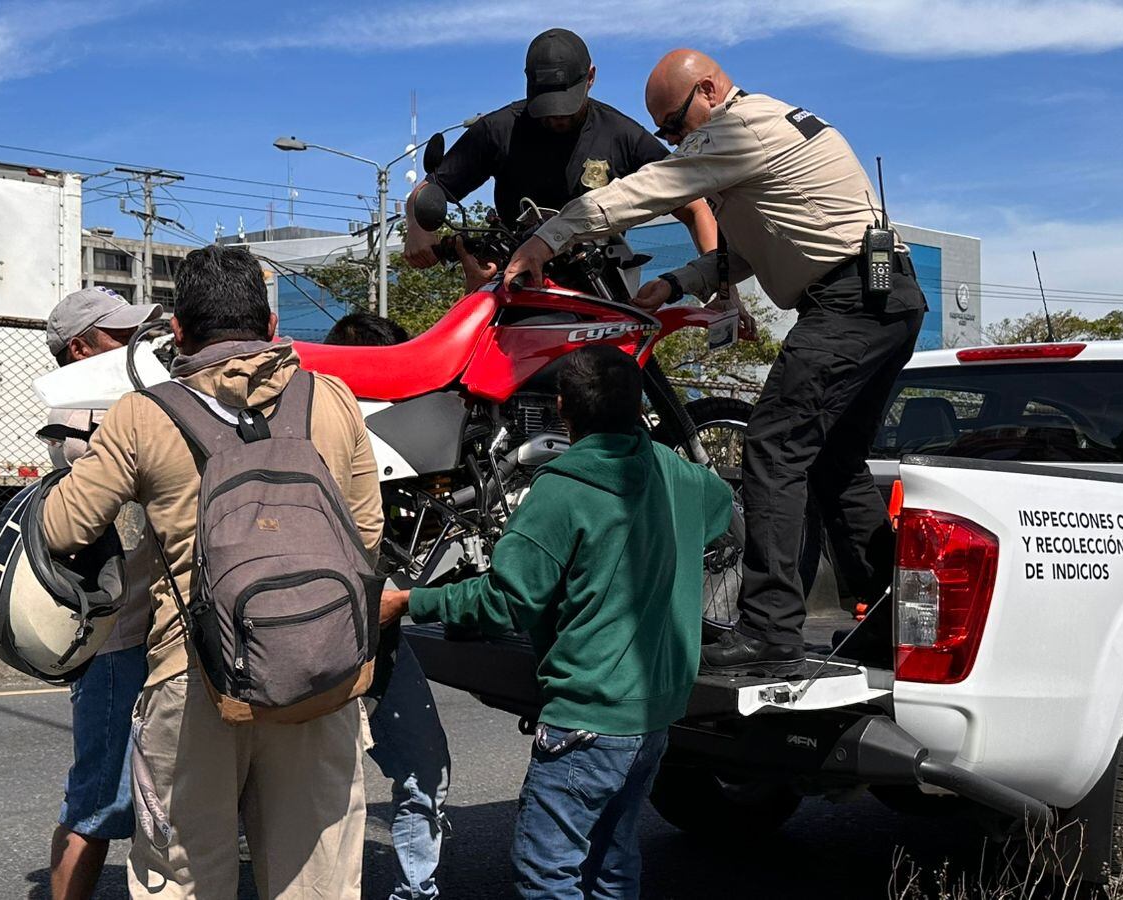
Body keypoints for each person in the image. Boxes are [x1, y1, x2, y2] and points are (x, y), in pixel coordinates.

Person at [500, 49, 928, 674]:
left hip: (850, 302)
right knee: (834, 462)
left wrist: (547, 237)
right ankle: (891, 620)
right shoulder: (768, 129)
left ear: (707, 90)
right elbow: (751, 249)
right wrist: (675, 283)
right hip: (882, 297)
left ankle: (770, 633)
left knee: (774, 448)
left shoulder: (741, 126)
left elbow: (647, 191)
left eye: (672, 125)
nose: (672, 142)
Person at [41, 246, 383, 900]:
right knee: (318, 884)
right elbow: (365, 537)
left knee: (183, 881)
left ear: (177, 332)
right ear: (274, 323)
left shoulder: (146, 413)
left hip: (194, 678)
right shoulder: (333, 400)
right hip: (321, 672)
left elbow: (63, 529)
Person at [381, 345, 733, 899]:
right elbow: (720, 510)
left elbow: (504, 602)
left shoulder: (561, 490)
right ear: (639, 407)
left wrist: (410, 601)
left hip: (588, 716)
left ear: (563, 407)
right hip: (656, 714)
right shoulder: (678, 474)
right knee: (612, 860)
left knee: (549, 871)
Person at [404, 27, 717, 290]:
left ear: (590, 77)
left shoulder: (621, 134)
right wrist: (419, 232)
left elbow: (694, 207)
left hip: (599, 285)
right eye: (546, 106)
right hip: (515, 279)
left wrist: (718, 283)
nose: (555, 117)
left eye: (565, 107)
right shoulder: (498, 130)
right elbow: (431, 189)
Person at [323, 311, 449, 900]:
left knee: (426, 772)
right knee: (323, 790)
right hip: (319, 644)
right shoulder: (311, 444)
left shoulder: (407, 455)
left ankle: (416, 891)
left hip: (382, 639)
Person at [42, 286, 161, 900]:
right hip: (122, 637)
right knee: (99, 797)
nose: (137, 344)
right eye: (122, 335)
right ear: (83, 349)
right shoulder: (85, 429)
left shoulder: (119, 411)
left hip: (146, 631)